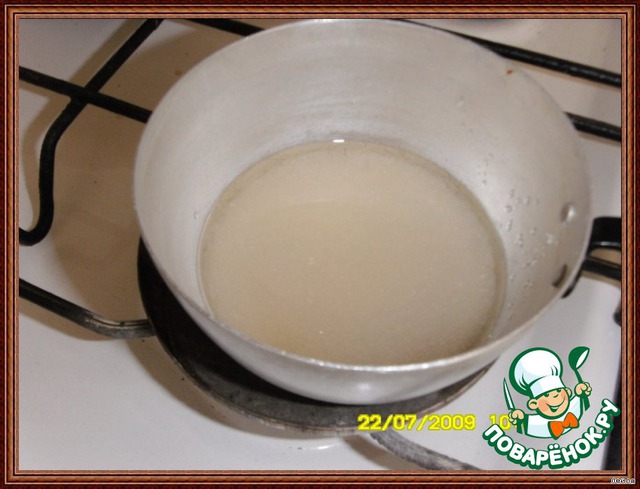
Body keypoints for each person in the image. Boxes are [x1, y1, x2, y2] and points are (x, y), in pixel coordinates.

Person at [507, 347, 592, 439]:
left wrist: (582, 393)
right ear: (533, 404)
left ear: (568, 392)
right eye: (546, 395)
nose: (555, 396)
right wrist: (519, 419)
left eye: (558, 391)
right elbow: (521, 427)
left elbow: (584, 404)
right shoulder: (535, 423)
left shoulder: (575, 407)